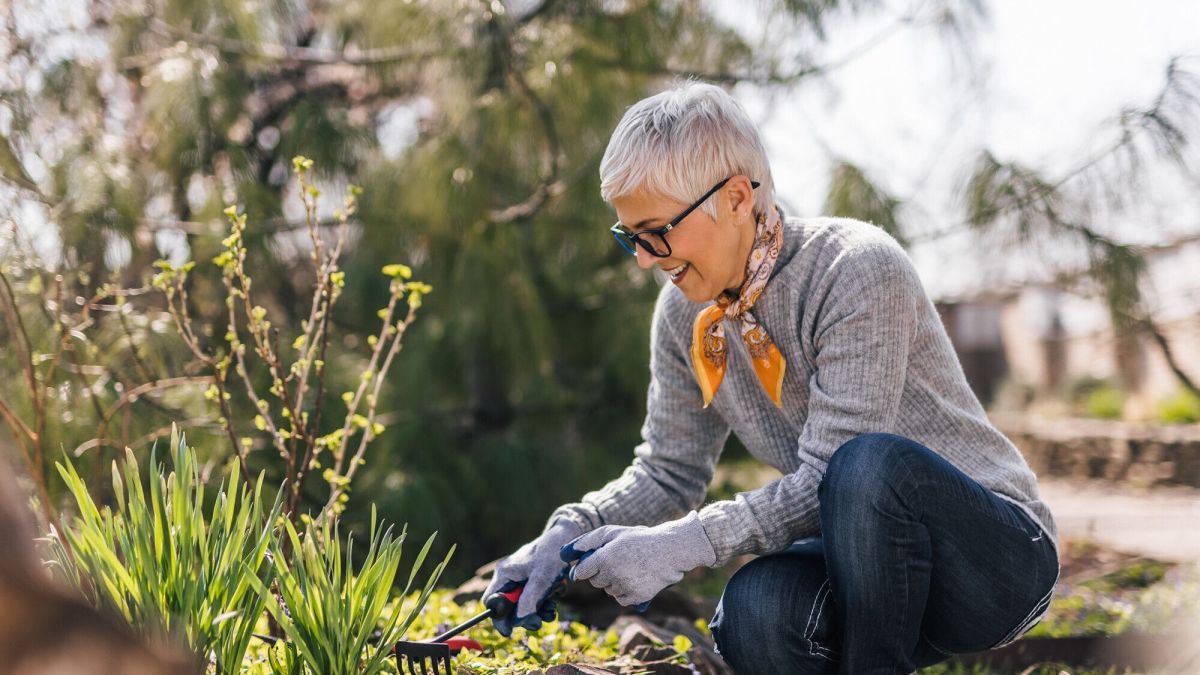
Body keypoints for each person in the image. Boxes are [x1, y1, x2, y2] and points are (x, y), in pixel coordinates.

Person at [483, 81, 1058, 674]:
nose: (645, 259)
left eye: (657, 232)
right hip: (866, 567)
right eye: (629, 235)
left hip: (996, 562)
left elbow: (834, 477)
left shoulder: (855, 268)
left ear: (735, 198)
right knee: (754, 612)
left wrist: (683, 544)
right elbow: (669, 471)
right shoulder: (685, 314)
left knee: (865, 467)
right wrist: (570, 531)